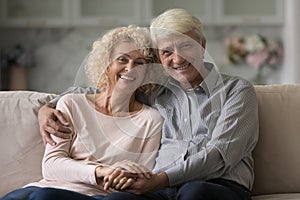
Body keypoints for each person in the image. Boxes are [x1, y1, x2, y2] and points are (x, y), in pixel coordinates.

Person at [38, 8, 259, 200]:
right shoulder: (158, 90)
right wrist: (47, 107)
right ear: (160, 58)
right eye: (167, 52)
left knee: (194, 193)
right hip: (161, 189)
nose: (178, 59)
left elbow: (219, 157)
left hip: (216, 185)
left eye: (185, 46)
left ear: (202, 45)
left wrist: (161, 179)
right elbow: (109, 89)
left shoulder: (236, 90)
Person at [1, 25, 163, 200]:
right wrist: (100, 171)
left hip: (92, 196)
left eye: (139, 63)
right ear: (107, 64)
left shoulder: (151, 120)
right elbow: (51, 165)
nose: (130, 68)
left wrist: (122, 174)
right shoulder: (71, 103)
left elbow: (139, 177)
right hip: (42, 189)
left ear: (148, 72)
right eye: (122, 59)